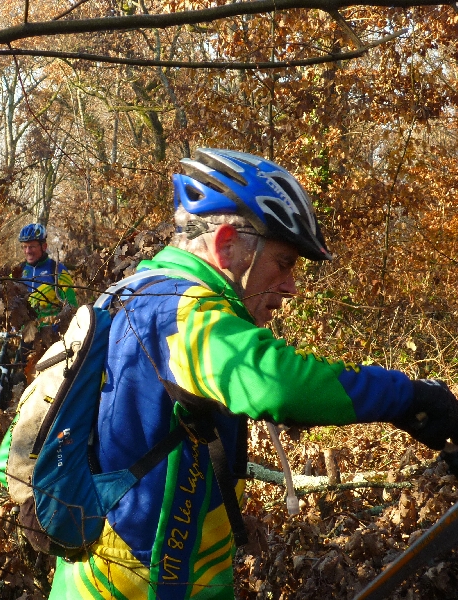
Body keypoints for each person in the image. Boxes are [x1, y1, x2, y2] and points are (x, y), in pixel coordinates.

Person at [47, 149, 458, 600]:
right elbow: (277, 382)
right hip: (141, 587)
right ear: (226, 245)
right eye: (283, 263)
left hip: (97, 578)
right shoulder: (182, 315)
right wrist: (411, 397)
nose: (291, 286)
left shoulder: (130, 292)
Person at [17, 223, 77, 323]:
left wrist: (58, 326)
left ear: (44, 246)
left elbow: (72, 305)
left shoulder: (57, 270)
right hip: (24, 334)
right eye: (24, 246)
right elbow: (1, 297)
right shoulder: (18, 271)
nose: (27, 251)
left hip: (51, 335)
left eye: (31, 246)